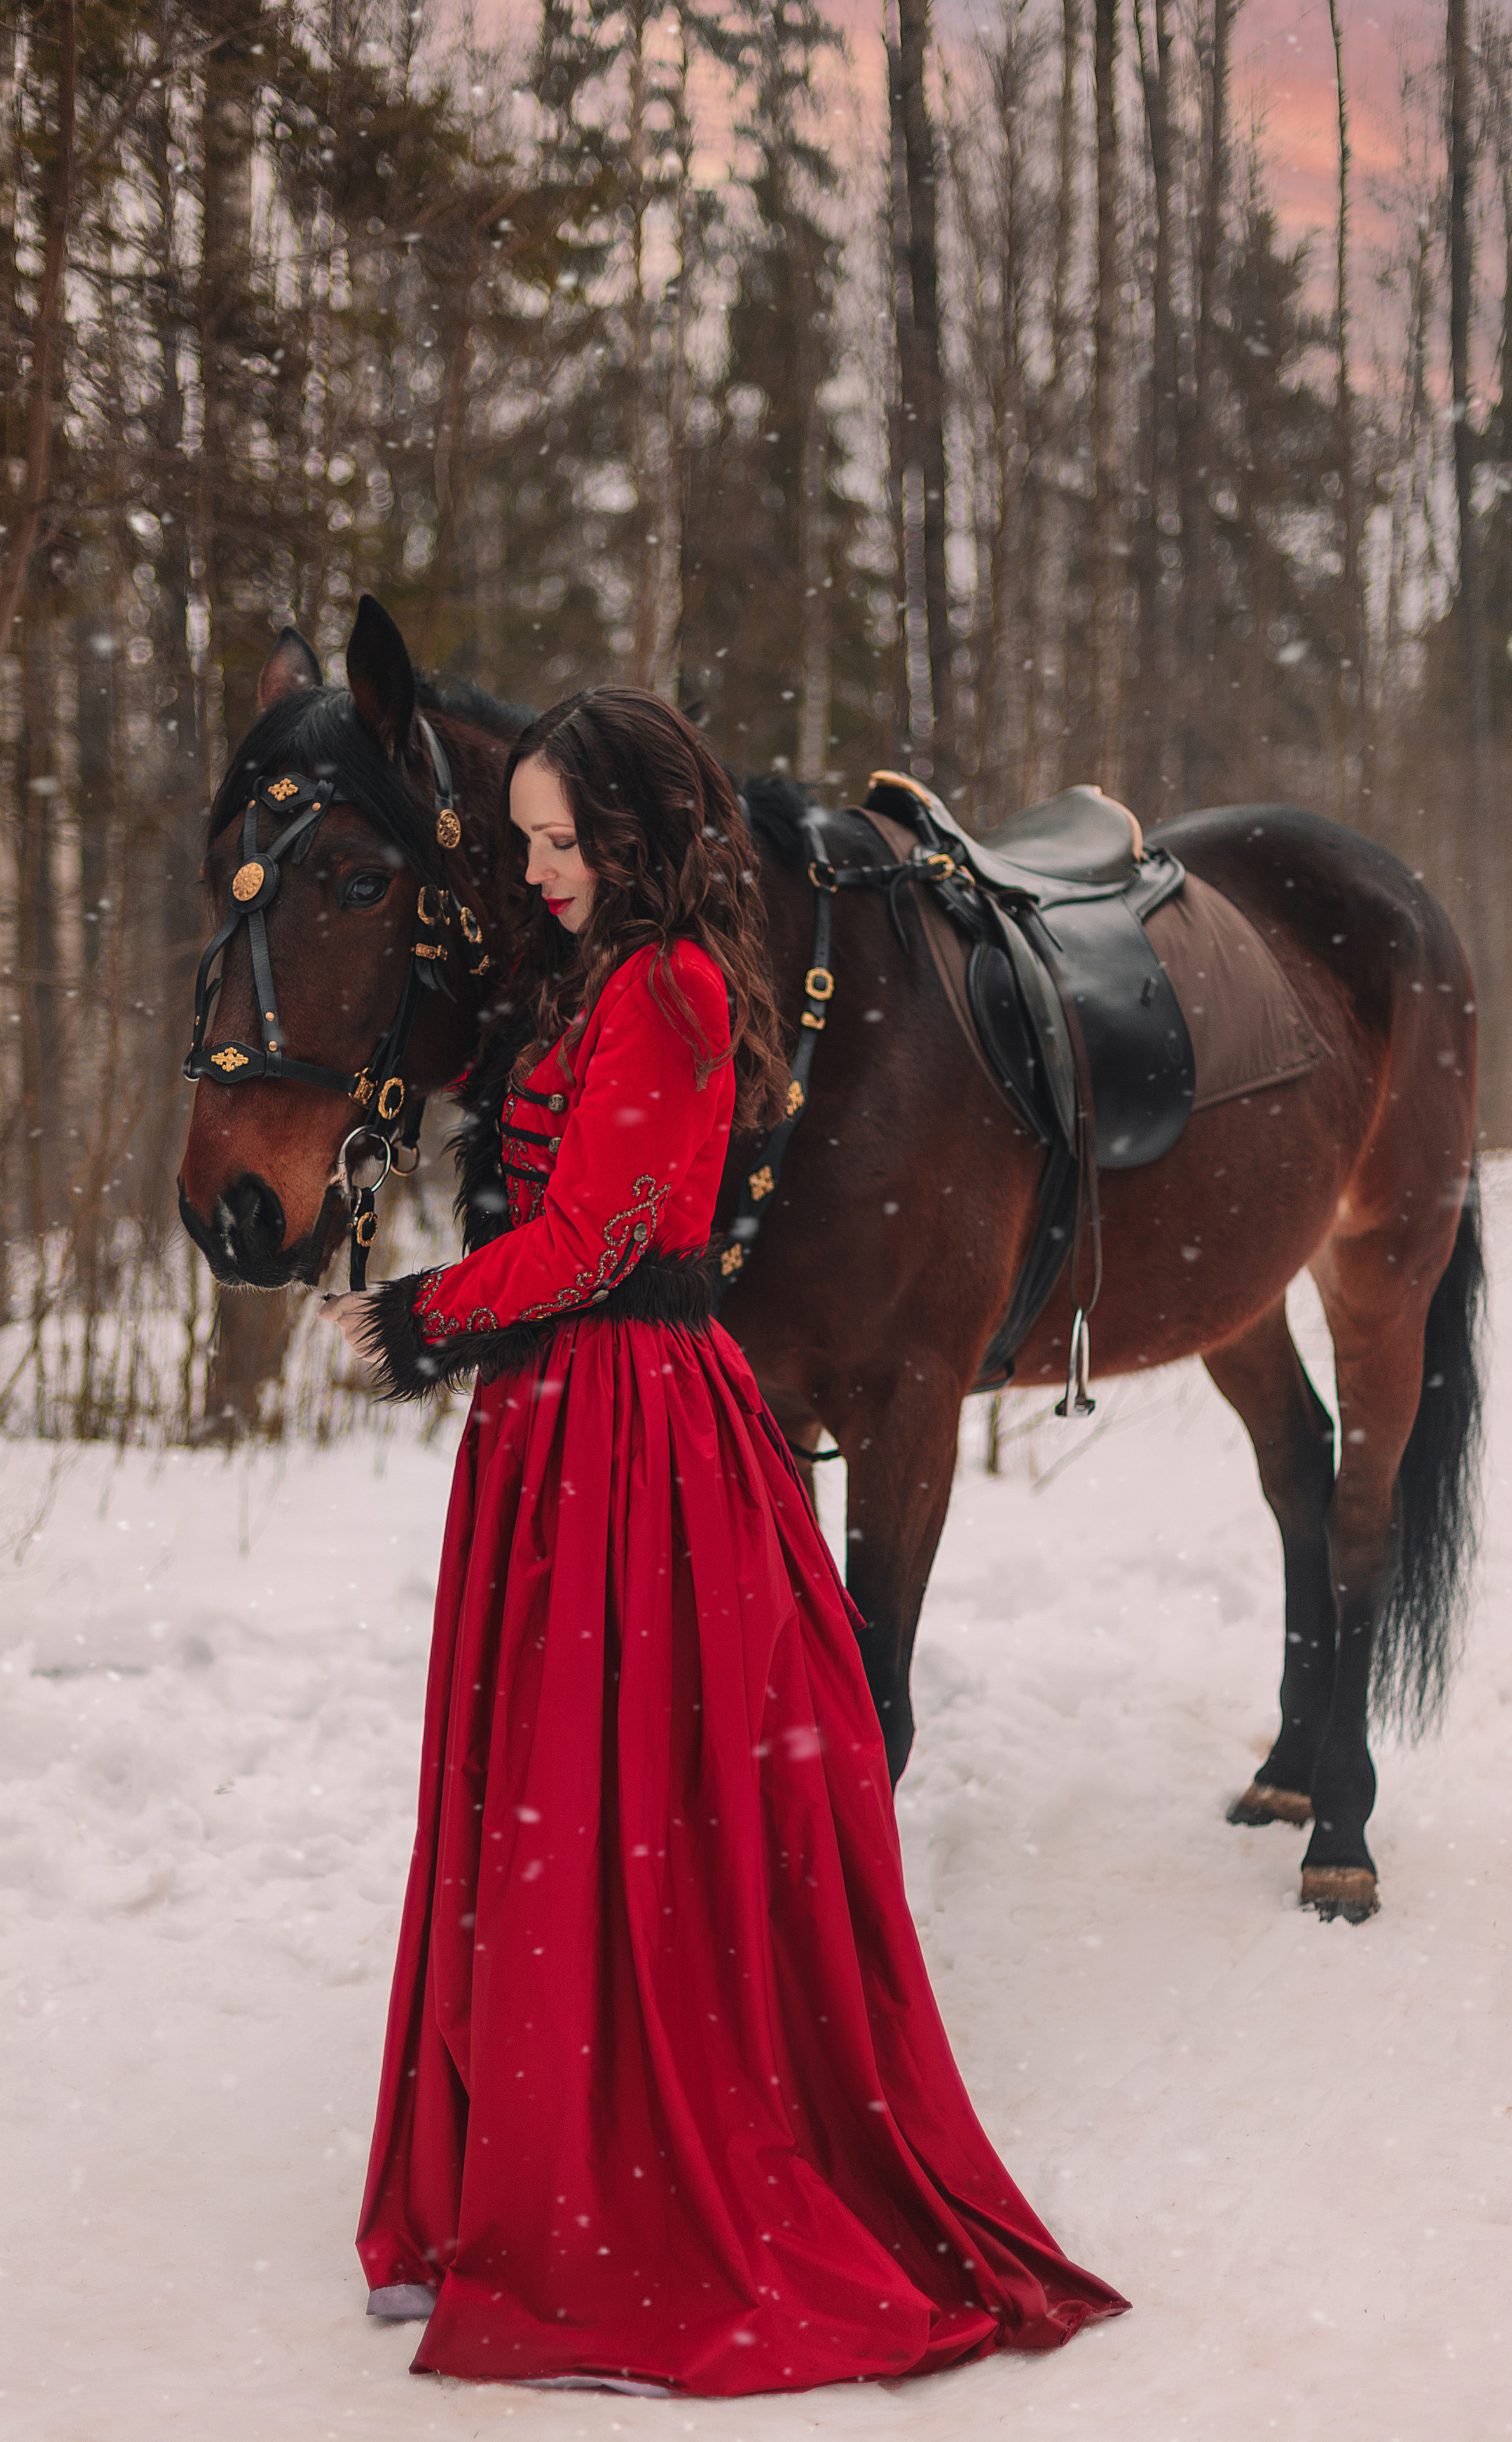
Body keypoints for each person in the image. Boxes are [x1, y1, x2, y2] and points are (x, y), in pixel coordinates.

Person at [321, 688, 1126, 2396]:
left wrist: (424, 1320)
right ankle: (533, 2169)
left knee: (631, 1804)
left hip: (630, 1419)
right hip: (549, 1436)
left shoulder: (677, 989)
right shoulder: (586, 975)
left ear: (630, 838)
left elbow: (608, 1237)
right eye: (524, 840)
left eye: (559, 841)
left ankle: (637, 2187)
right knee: (541, 1805)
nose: (536, 871)